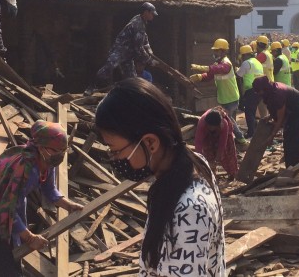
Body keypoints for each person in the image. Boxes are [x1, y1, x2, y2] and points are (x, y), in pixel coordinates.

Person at [95, 78, 225, 276]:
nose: (114, 158)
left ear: (150, 143)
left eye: (115, 150)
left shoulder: (188, 209)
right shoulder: (191, 163)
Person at [0, 120, 83, 276]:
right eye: (56, 150)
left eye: (63, 150)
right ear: (41, 147)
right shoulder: (23, 169)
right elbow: (6, 208)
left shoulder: (47, 161)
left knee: (13, 256)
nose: (61, 155)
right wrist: (30, 237)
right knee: (0, 261)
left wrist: (69, 205)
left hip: (15, 210)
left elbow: (50, 189)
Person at [85, 2, 158, 95]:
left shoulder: (142, 21)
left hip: (128, 54)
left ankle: (133, 96)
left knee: (132, 79)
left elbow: (144, 37)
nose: (153, 16)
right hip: (120, 51)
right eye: (152, 13)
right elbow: (138, 49)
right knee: (108, 67)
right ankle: (91, 87)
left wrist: (149, 49)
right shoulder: (137, 24)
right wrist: (149, 60)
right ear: (146, 12)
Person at [252, 76, 299, 168]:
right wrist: (269, 117)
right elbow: (280, 109)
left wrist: (271, 136)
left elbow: (280, 120)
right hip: (294, 116)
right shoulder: (272, 90)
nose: (258, 94)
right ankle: (292, 168)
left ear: (264, 89)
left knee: (296, 144)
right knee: (288, 143)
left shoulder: (278, 94)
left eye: (259, 91)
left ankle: (295, 170)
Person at [189, 38, 247, 146]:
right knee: (230, 121)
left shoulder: (226, 63)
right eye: (214, 50)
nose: (214, 52)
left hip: (230, 98)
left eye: (217, 50)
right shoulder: (218, 63)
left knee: (229, 120)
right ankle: (232, 140)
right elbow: (211, 75)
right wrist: (200, 77)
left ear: (223, 51)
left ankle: (241, 140)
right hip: (226, 97)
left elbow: (218, 69)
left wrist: (202, 68)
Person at [194, 107, 238, 180]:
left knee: (228, 153)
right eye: (209, 126)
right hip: (208, 136)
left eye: (213, 127)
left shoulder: (224, 124)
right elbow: (198, 142)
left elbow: (222, 143)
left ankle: (232, 174)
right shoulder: (202, 123)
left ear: (218, 125)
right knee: (208, 153)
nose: (211, 128)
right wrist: (200, 159)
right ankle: (211, 175)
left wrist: (218, 158)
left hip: (224, 135)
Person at [236, 44, 264, 139]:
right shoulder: (257, 61)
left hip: (251, 90)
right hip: (259, 90)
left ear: (244, 55)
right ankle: (255, 131)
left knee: (249, 112)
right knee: (252, 111)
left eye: (242, 56)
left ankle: (251, 133)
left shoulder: (246, 63)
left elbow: (239, 75)